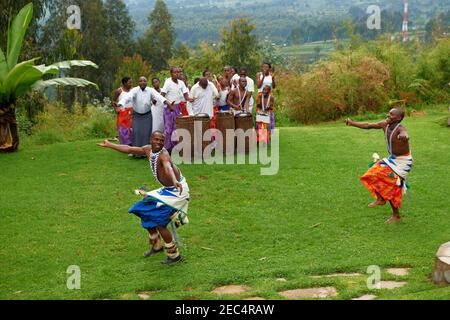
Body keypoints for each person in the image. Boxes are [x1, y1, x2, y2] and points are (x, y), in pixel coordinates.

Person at [97, 131, 189, 265]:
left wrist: (174, 180)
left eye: (161, 141)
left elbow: (168, 167)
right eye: (156, 139)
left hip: (177, 191)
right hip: (167, 190)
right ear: (151, 139)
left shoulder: (164, 155)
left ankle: (174, 255)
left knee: (159, 220)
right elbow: (129, 149)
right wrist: (110, 145)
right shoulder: (147, 149)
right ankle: (156, 245)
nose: (158, 143)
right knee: (141, 209)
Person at [346, 108, 413, 224]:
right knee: (371, 174)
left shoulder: (400, 128)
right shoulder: (384, 124)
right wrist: (352, 123)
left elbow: (404, 133)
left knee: (392, 185)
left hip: (403, 162)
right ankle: (381, 199)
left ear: (398, 118)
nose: (388, 115)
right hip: (392, 159)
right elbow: (368, 125)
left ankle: (396, 215)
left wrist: (404, 136)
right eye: (389, 113)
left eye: (391, 114)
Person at [118, 77, 174, 149]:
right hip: (136, 115)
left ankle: (145, 152)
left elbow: (159, 97)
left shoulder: (150, 90)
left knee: (146, 134)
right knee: (136, 132)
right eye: (140, 81)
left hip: (147, 115)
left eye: (144, 81)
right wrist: (120, 104)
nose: (142, 82)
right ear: (138, 83)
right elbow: (127, 97)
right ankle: (136, 152)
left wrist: (168, 104)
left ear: (147, 82)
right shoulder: (134, 90)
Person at [161, 67, 193, 152]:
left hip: (177, 108)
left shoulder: (181, 83)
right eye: (175, 72)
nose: (177, 74)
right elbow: (162, 95)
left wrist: (191, 99)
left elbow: (186, 96)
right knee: (168, 130)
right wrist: (168, 104)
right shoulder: (168, 82)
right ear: (171, 74)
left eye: (179, 72)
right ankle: (167, 148)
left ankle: (176, 148)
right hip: (169, 108)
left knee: (177, 129)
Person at [112, 77, 133, 145]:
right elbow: (113, 100)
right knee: (123, 129)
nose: (131, 84)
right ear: (124, 83)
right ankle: (124, 144)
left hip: (132, 111)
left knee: (131, 128)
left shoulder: (132, 90)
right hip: (122, 112)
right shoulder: (119, 90)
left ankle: (132, 143)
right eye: (129, 82)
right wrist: (116, 109)